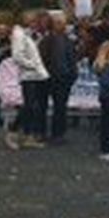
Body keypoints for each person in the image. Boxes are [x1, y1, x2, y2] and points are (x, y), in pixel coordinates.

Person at [7, 10, 49, 150]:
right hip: (28, 75)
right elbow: (17, 56)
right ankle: (13, 130)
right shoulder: (19, 35)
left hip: (36, 75)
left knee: (33, 106)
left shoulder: (29, 35)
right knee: (29, 106)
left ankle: (28, 135)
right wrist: (33, 65)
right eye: (34, 21)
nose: (36, 23)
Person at [40, 11, 77, 144]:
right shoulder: (47, 40)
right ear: (53, 24)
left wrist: (73, 74)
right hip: (51, 78)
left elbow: (72, 58)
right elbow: (43, 59)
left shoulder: (67, 40)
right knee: (46, 107)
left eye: (63, 23)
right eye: (59, 23)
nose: (63, 25)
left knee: (61, 107)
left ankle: (58, 133)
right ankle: (44, 133)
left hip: (64, 78)